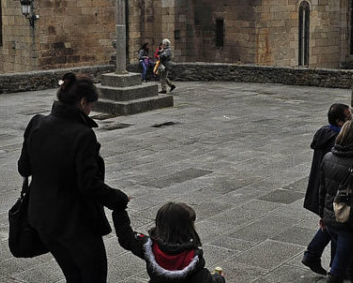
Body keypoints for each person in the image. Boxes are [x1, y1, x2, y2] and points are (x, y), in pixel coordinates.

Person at [18, 72, 130, 282]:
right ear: (82, 102)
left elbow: (23, 168)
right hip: (74, 224)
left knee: (73, 276)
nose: (91, 110)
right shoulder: (83, 134)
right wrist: (119, 199)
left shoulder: (37, 123)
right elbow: (88, 184)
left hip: (42, 220)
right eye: (90, 105)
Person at [318, 120, 353, 283]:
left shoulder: (328, 157)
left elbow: (322, 190)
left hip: (331, 218)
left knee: (352, 263)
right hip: (349, 220)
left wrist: (322, 215)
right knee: (338, 271)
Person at [112, 202, 225, 282]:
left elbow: (126, 237)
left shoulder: (149, 247)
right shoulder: (192, 259)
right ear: (188, 228)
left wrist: (119, 208)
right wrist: (219, 278)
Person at [301, 103, 352, 276]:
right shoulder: (338, 140)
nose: (352, 120)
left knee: (332, 223)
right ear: (339, 121)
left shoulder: (324, 132)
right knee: (337, 223)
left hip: (320, 186)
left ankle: (315, 255)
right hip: (331, 189)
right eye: (349, 118)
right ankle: (336, 266)